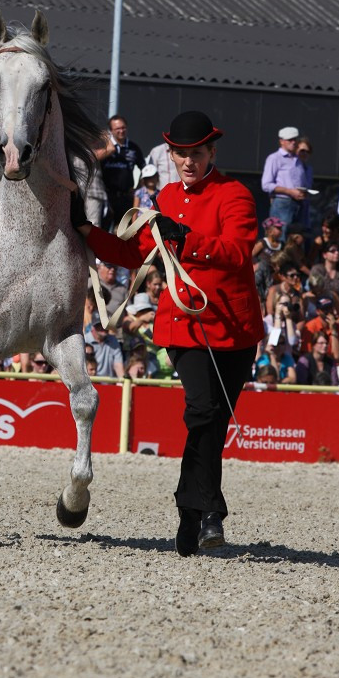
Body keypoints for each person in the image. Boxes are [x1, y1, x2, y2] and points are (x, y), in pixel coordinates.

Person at [73, 110, 264, 556]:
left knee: (214, 423)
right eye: (181, 155)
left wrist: (185, 237)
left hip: (233, 329)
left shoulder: (235, 195)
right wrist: (85, 229)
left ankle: (203, 512)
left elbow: (237, 253)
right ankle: (197, 509)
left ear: (210, 152)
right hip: (183, 326)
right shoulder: (164, 202)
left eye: (196, 154)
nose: (188, 162)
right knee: (201, 412)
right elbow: (129, 253)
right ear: (171, 157)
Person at [96, 115, 145, 230]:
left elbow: (145, 169)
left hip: (126, 197)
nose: (121, 131)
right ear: (111, 131)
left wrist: (138, 188)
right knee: (103, 231)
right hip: (106, 197)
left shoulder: (133, 148)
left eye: (123, 128)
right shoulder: (104, 148)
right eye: (117, 128)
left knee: (123, 232)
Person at [260, 126, 308, 233]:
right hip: (282, 203)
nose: (293, 142)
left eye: (295, 139)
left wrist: (303, 192)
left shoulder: (298, 159)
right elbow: (266, 185)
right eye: (290, 140)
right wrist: (290, 192)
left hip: (298, 204)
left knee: (296, 239)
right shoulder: (274, 158)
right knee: (281, 237)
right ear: (281, 141)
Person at [84, 311, 124, 378]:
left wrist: (124, 382)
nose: (104, 327)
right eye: (100, 324)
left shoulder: (113, 340)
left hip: (108, 385)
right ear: (93, 326)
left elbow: (118, 365)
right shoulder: (83, 340)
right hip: (89, 384)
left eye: (106, 324)